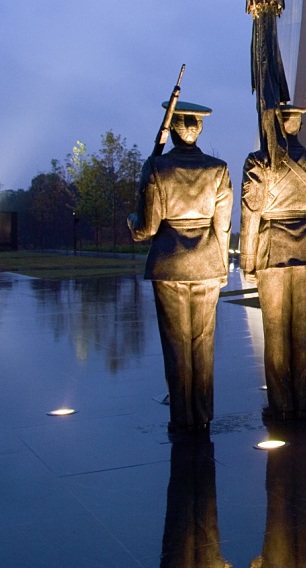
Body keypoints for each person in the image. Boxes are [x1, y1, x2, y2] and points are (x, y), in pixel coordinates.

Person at [128, 101, 232, 434]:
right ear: (198, 128)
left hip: (170, 264)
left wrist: (132, 219)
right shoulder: (218, 169)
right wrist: (222, 265)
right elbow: (223, 227)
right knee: (202, 343)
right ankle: (201, 412)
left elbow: (145, 229)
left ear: (172, 130)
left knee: (175, 343)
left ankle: (182, 415)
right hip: (207, 263)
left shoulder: (157, 168)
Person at [240, 105, 306, 421]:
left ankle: (280, 402)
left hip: (271, 248)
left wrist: (247, 260)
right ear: (298, 124)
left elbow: (251, 213)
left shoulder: (259, 161)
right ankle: (302, 399)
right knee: (305, 328)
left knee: (276, 329)